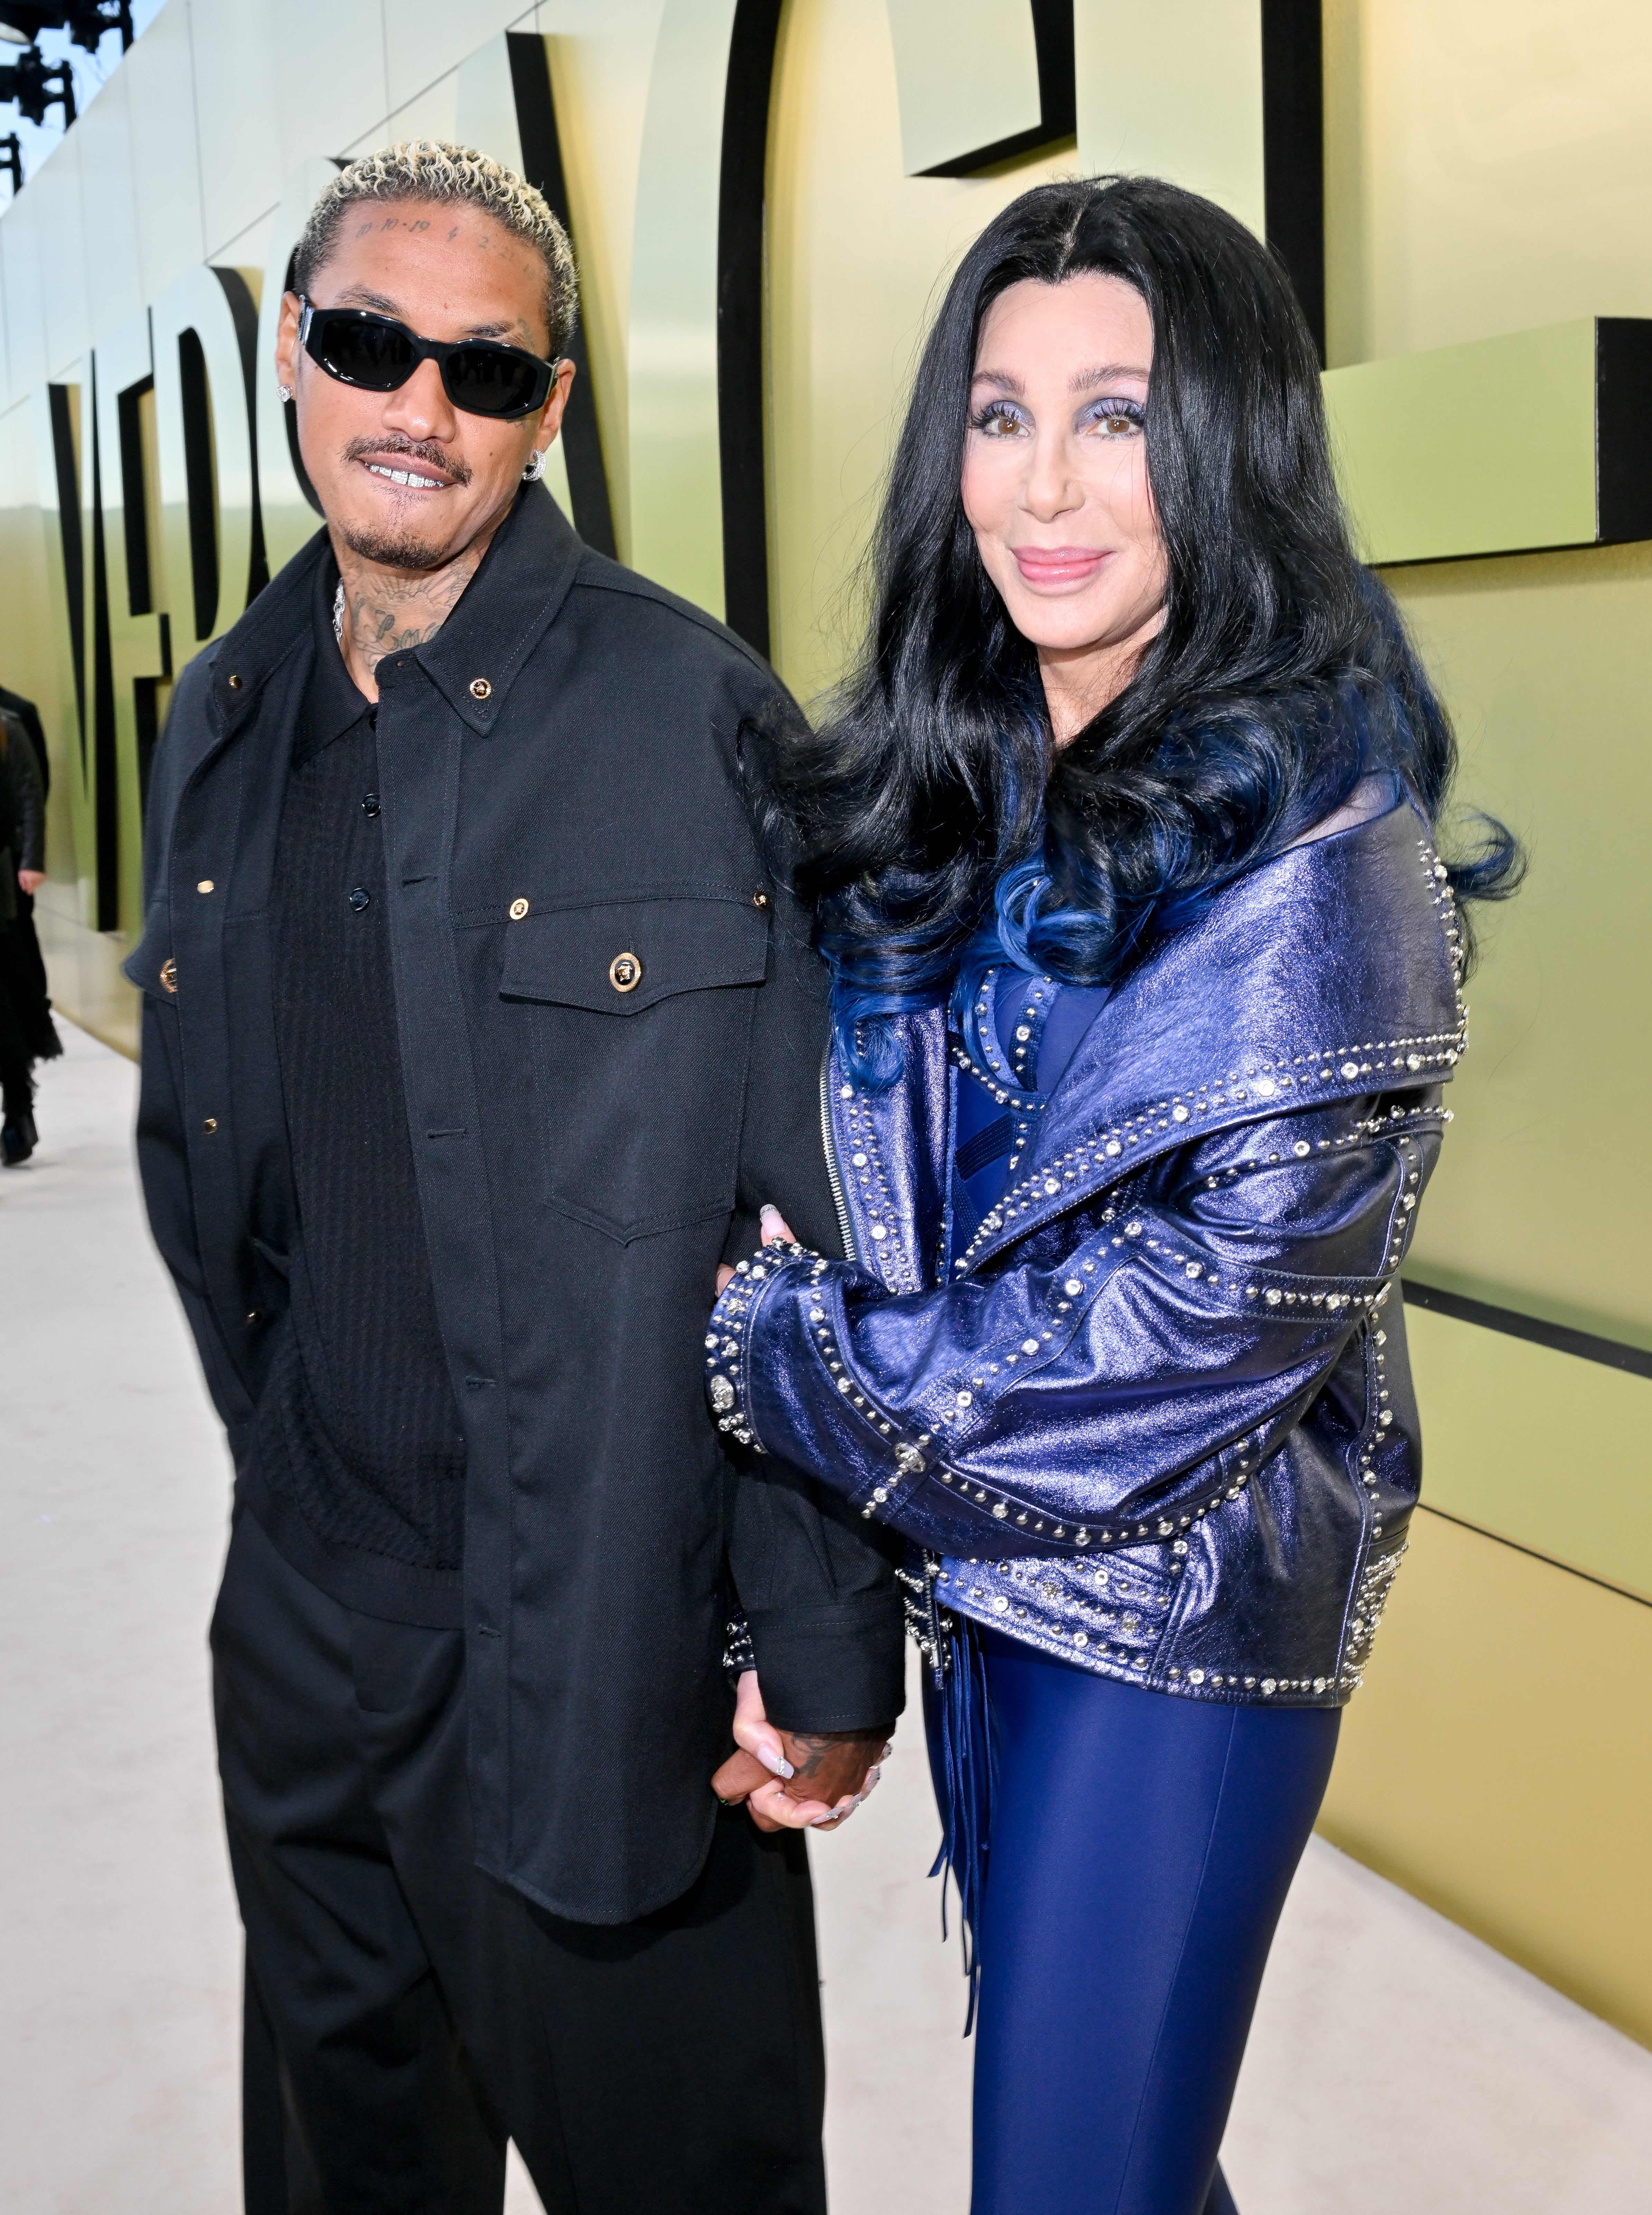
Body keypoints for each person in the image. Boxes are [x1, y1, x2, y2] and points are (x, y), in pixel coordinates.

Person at [706, 176, 1520, 2215]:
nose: (1044, 482)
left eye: (1116, 413)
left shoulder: (1322, 869)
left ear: (1230, 448)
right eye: (996, 413)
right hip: (981, 1587)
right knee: (1123, 2163)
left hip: (1172, 1631)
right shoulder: (960, 793)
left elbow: (1162, 1346)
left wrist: (773, 1347)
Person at [127, 140, 903, 2215]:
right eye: (372, 343)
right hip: (299, 1607)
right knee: (347, 2156)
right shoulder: (222, 711)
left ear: (552, 405)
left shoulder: (685, 710)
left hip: (599, 1643)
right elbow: (215, 1164)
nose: (421, 406)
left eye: (487, 370)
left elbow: (806, 1211)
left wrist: (820, 1639)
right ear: (295, 352)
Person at [0, 701, 52, 1165]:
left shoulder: (7, 728)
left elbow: (30, 796)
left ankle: (18, 1110)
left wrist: (31, 860)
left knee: (6, 1006)